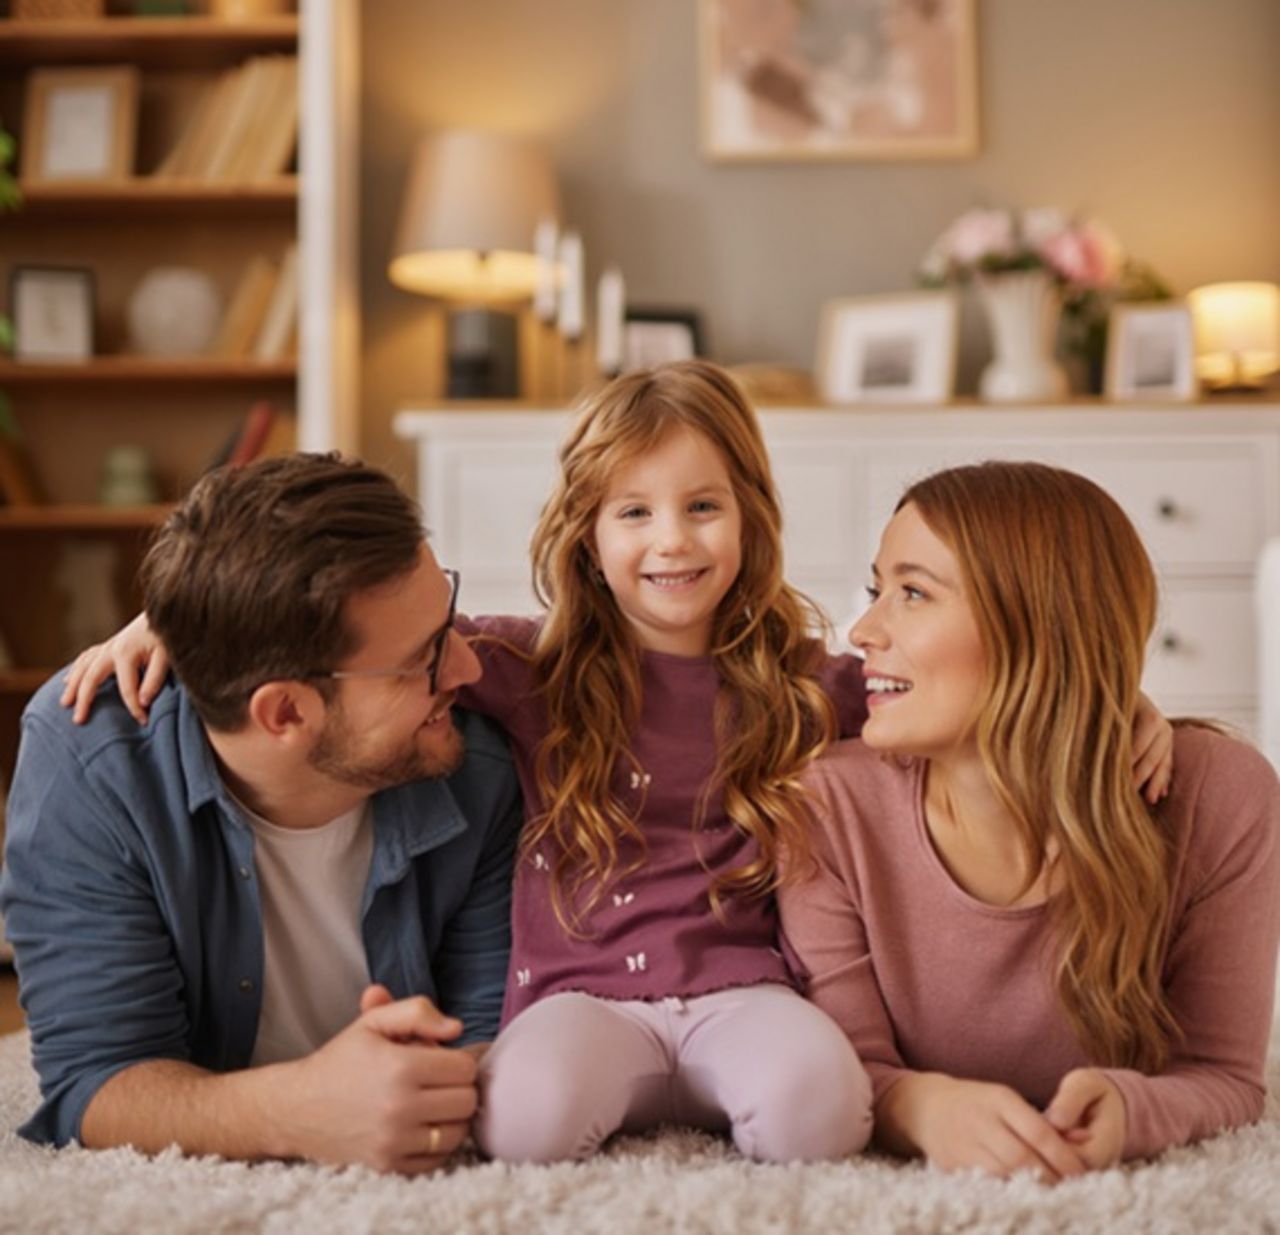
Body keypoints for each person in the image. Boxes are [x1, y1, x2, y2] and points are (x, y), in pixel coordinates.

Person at [58, 363, 1175, 1165]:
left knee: (819, 1113)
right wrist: (166, 620)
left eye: (701, 506)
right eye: (632, 512)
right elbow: (285, 616)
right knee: (523, 1123)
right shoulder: (520, 663)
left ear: (750, 516)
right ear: (585, 532)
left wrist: (1116, 699)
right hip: (578, 993)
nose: (671, 540)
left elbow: (953, 681)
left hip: (749, 985)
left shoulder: (806, 679)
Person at [0, 453, 523, 1174]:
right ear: (283, 711)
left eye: (449, 619)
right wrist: (295, 1109)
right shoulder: (90, 766)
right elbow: (94, 1081)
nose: (468, 669)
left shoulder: (471, 758)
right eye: (424, 658)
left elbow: (496, 1024)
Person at [778, 460, 1280, 1182]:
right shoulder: (827, 810)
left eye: (913, 592)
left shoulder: (1220, 797)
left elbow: (1225, 1075)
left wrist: (1131, 1107)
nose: (863, 629)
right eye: (875, 588)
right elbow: (853, 1066)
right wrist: (920, 1106)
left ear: (1038, 626)